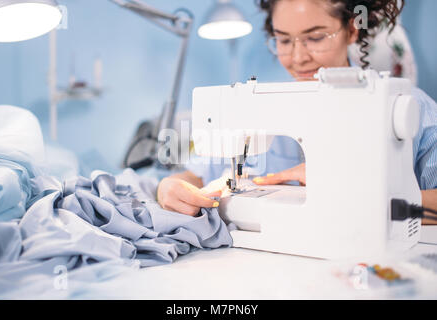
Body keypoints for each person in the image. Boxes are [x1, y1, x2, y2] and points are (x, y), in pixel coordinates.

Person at [156, 0, 437, 225]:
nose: (298, 57)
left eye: (315, 37)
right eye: (284, 40)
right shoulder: (258, 107)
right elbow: (195, 176)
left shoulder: (410, 106)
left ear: (352, 30)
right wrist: (169, 187)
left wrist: (351, 190)